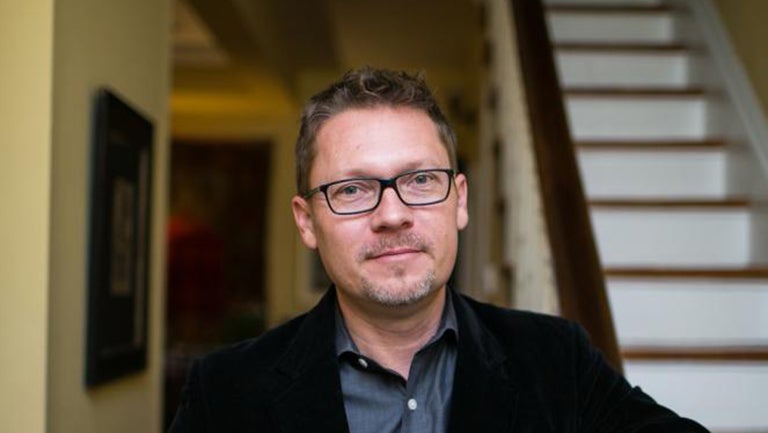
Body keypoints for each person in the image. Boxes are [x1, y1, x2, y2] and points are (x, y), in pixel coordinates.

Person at [168, 67, 709, 433]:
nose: (393, 214)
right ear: (307, 222)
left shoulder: (556, 360)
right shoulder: (224, 395)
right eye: (353, 190)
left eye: (421, 180)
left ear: (460, 200)